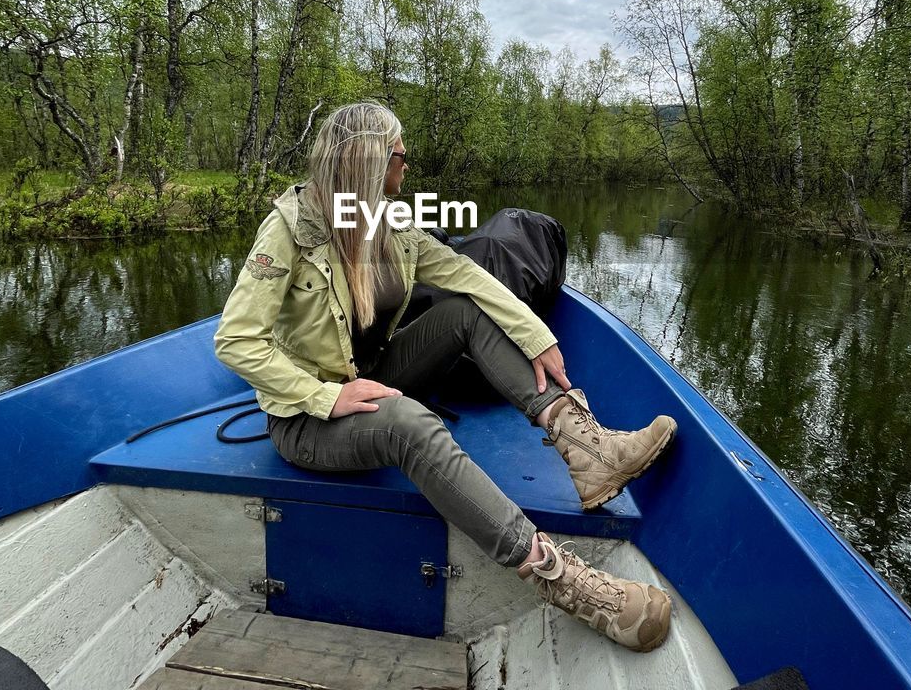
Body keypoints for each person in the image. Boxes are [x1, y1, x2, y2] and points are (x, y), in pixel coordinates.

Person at [214, 101, 679, 652]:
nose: (407, 167)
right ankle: (562, 579)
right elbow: (237, 340)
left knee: (465, 311)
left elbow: (464, 274)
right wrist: (324, 396)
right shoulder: (289, 231)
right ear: (371, 161)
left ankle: (586, 448)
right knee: (412, 424)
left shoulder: (387, 222)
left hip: (373, 377)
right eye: (401, 156)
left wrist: (537, 336)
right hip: (308, 421)